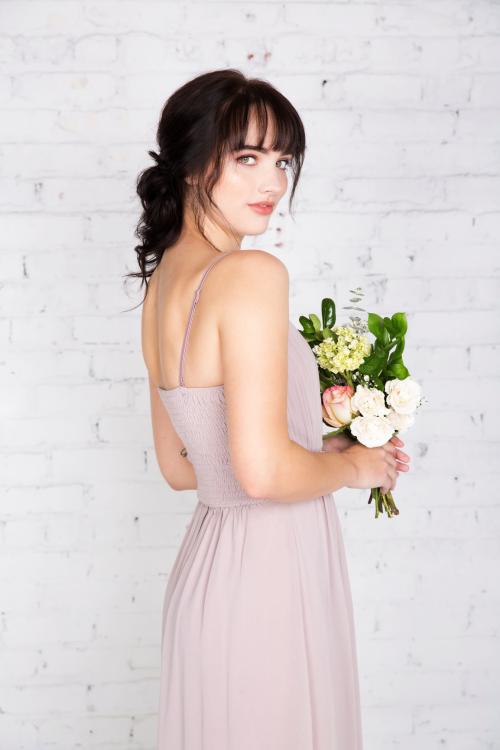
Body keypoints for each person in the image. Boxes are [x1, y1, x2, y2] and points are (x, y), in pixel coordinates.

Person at [132, 68, 410, 750]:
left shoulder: (164, 280)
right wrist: (359, 469)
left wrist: (314, 455)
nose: (272, 182)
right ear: (195, 164)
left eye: (282, 160)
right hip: (266, 585)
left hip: (209, 578)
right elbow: (259, 475)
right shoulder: (249, 274)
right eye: (247, 157)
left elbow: (180, 465)